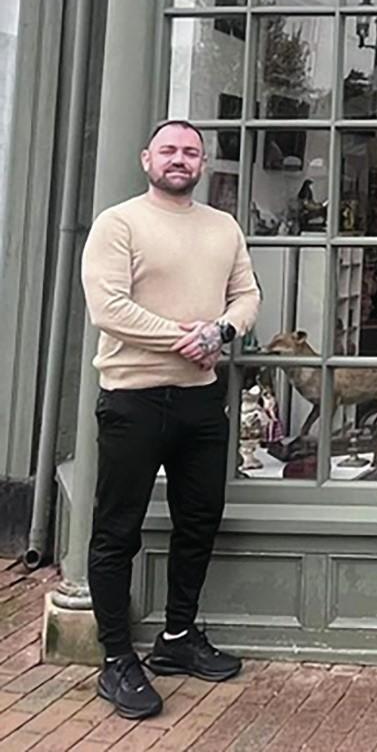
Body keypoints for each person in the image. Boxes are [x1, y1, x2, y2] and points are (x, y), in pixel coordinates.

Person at [80, 119, 261, 720]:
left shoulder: (223, 227)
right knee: (117, 531)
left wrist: (224, 331)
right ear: (146, 159)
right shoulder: (119, 223)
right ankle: (115, 660)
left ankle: (178, 640)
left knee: (200, 519)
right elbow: (108, 307)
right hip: (134, 399)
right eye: (169, 150)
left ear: (203, 164)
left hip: (202, 401)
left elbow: (248, 295)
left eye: (190, 151)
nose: (180, 159)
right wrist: (187, 337)